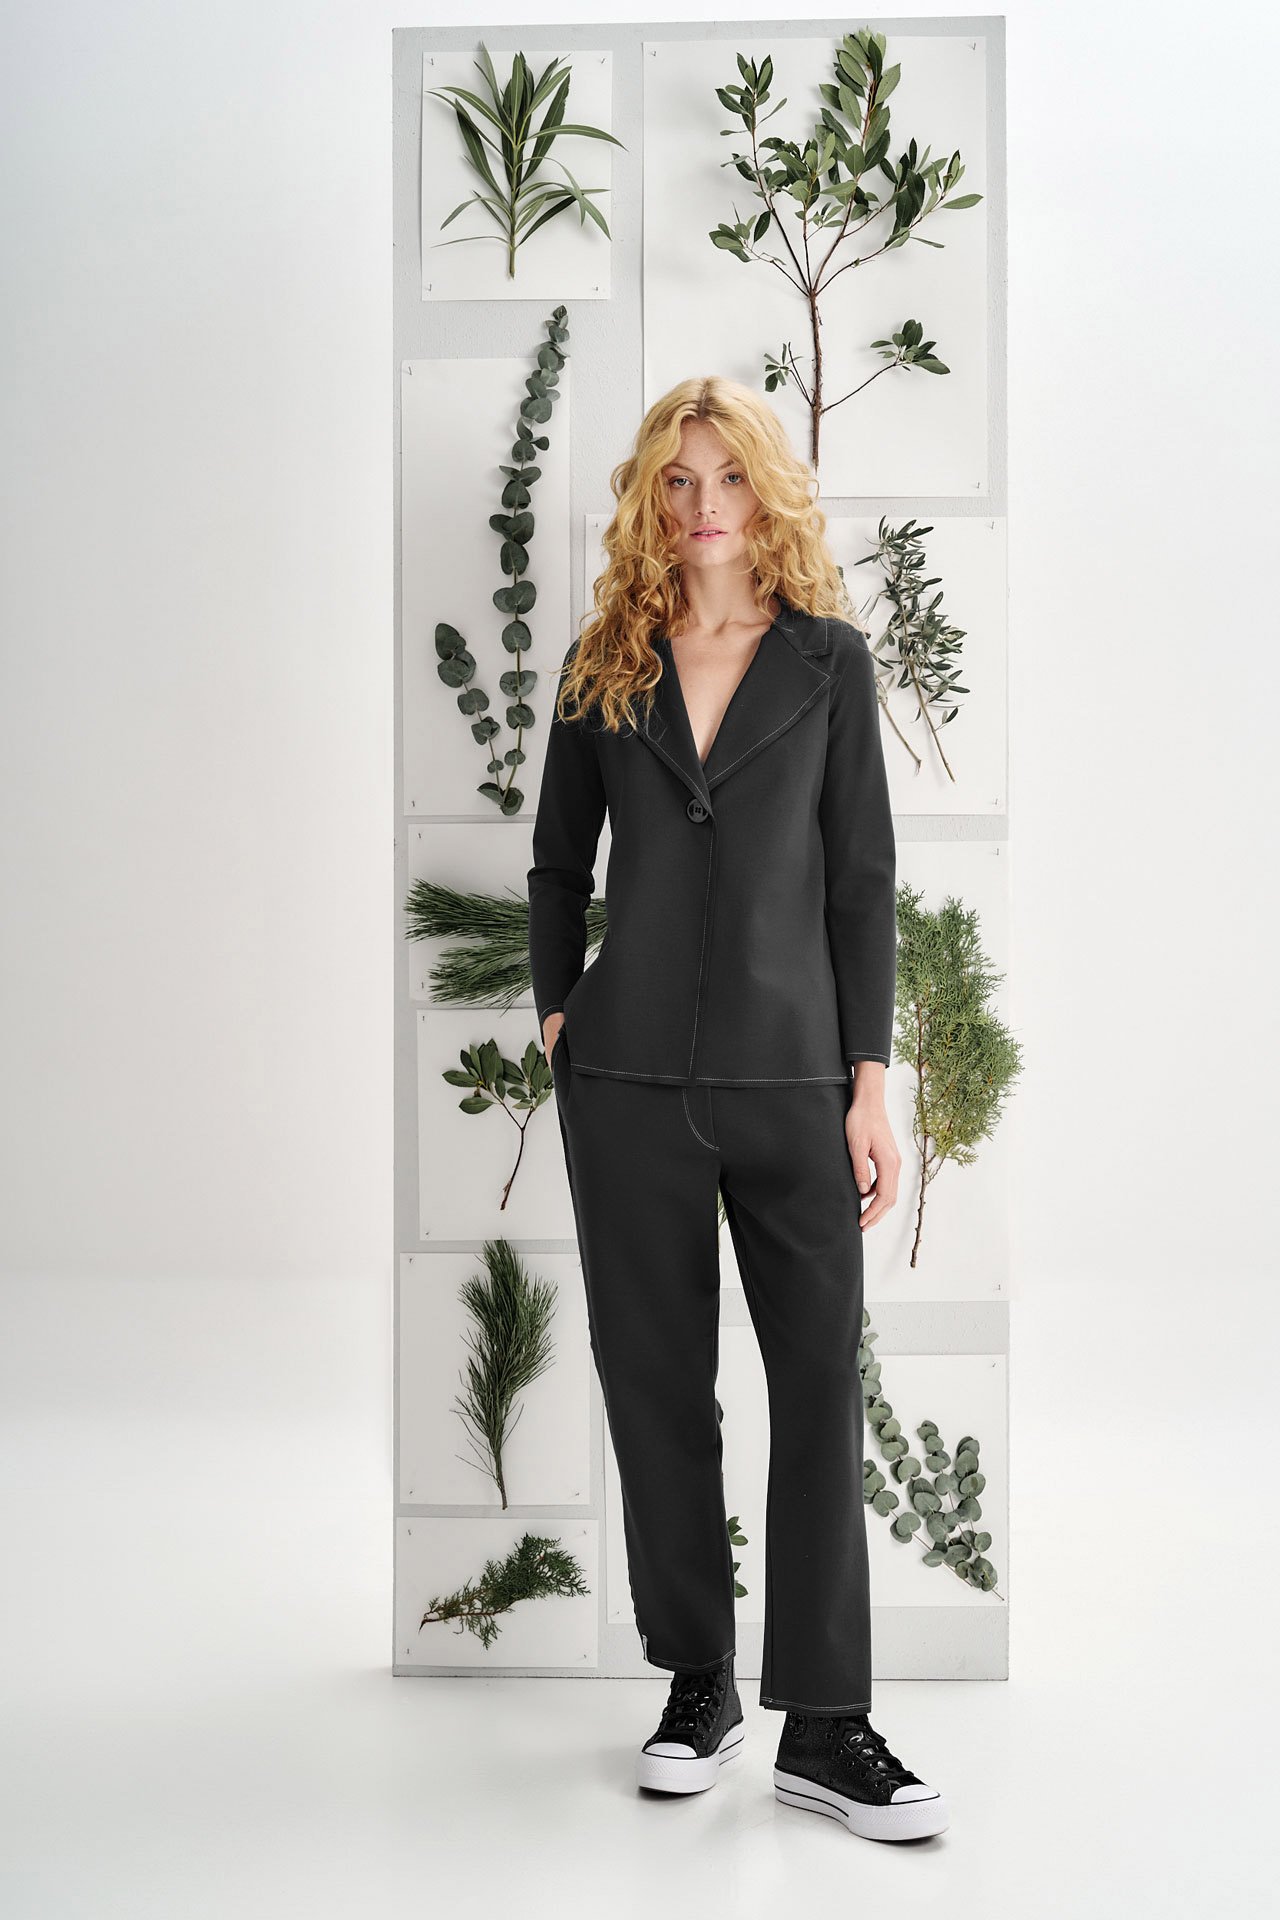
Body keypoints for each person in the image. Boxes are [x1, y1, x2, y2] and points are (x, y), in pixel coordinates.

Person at [526, 376, 948, 1843]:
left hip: (793, 1082)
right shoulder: (607, 663)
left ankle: (825, 1725)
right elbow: (556, 865)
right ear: (652, 497)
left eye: (728, 476)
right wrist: (560, 1013)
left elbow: (861, 881)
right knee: (657, 1386)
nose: (705, 505)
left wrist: (869, 1085)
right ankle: (696, 1680)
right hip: (628, 1084)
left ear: (766, 491)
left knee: (818, 1384)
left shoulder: (829, 661)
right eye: (679, 479)